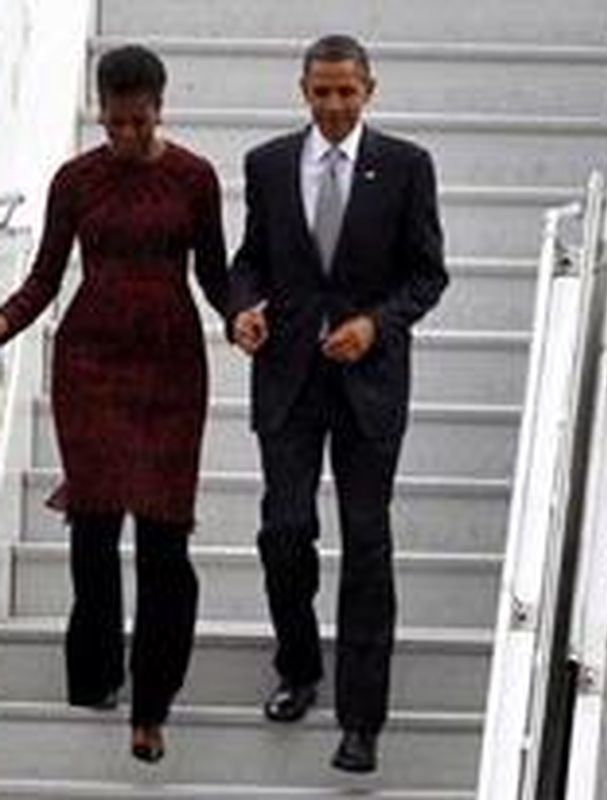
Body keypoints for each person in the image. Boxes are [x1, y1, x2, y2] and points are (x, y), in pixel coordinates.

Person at [0, 45, 228, 763]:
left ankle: (151, 705)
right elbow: (43, 277)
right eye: (114, 122)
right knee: (92, 536)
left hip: (170, 368)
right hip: (90, 364)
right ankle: (93, 679)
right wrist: (3, 320)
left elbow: (218, 276)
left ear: (161, 106)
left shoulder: (195, 178)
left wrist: (248, 317)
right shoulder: (74, 179)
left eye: (139, 121)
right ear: (100, 110)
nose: (126, 135)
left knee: (164, 541)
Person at [228, 34, 447, 773]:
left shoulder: (408, 167)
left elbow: (428, 276)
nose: (333, 105)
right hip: (288, 375)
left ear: (369, 90)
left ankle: (361, 720)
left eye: (346, 91)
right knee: (284, 531)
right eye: (321, 92)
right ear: (303, 91)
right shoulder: (266, 164)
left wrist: (373, 325)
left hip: (368, 382)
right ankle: (298, 665)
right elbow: (249, 256)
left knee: (365, 544)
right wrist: (243, 307)